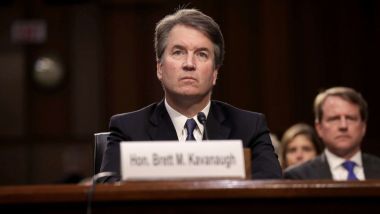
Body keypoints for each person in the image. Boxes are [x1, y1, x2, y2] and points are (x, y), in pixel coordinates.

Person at [99, 8, 282, 182]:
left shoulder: (249, 128)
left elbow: (271, 189)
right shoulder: (128, 130)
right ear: (159, 68)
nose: (189, 64)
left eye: (201, 54)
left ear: (214, 73)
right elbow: (108, 193)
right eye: (178, 52)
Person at [284, 87, 380, 180]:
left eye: (350, 118)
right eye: (334, 119)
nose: (343, 126)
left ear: (363, 127)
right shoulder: (297, 177)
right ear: (319, 128)